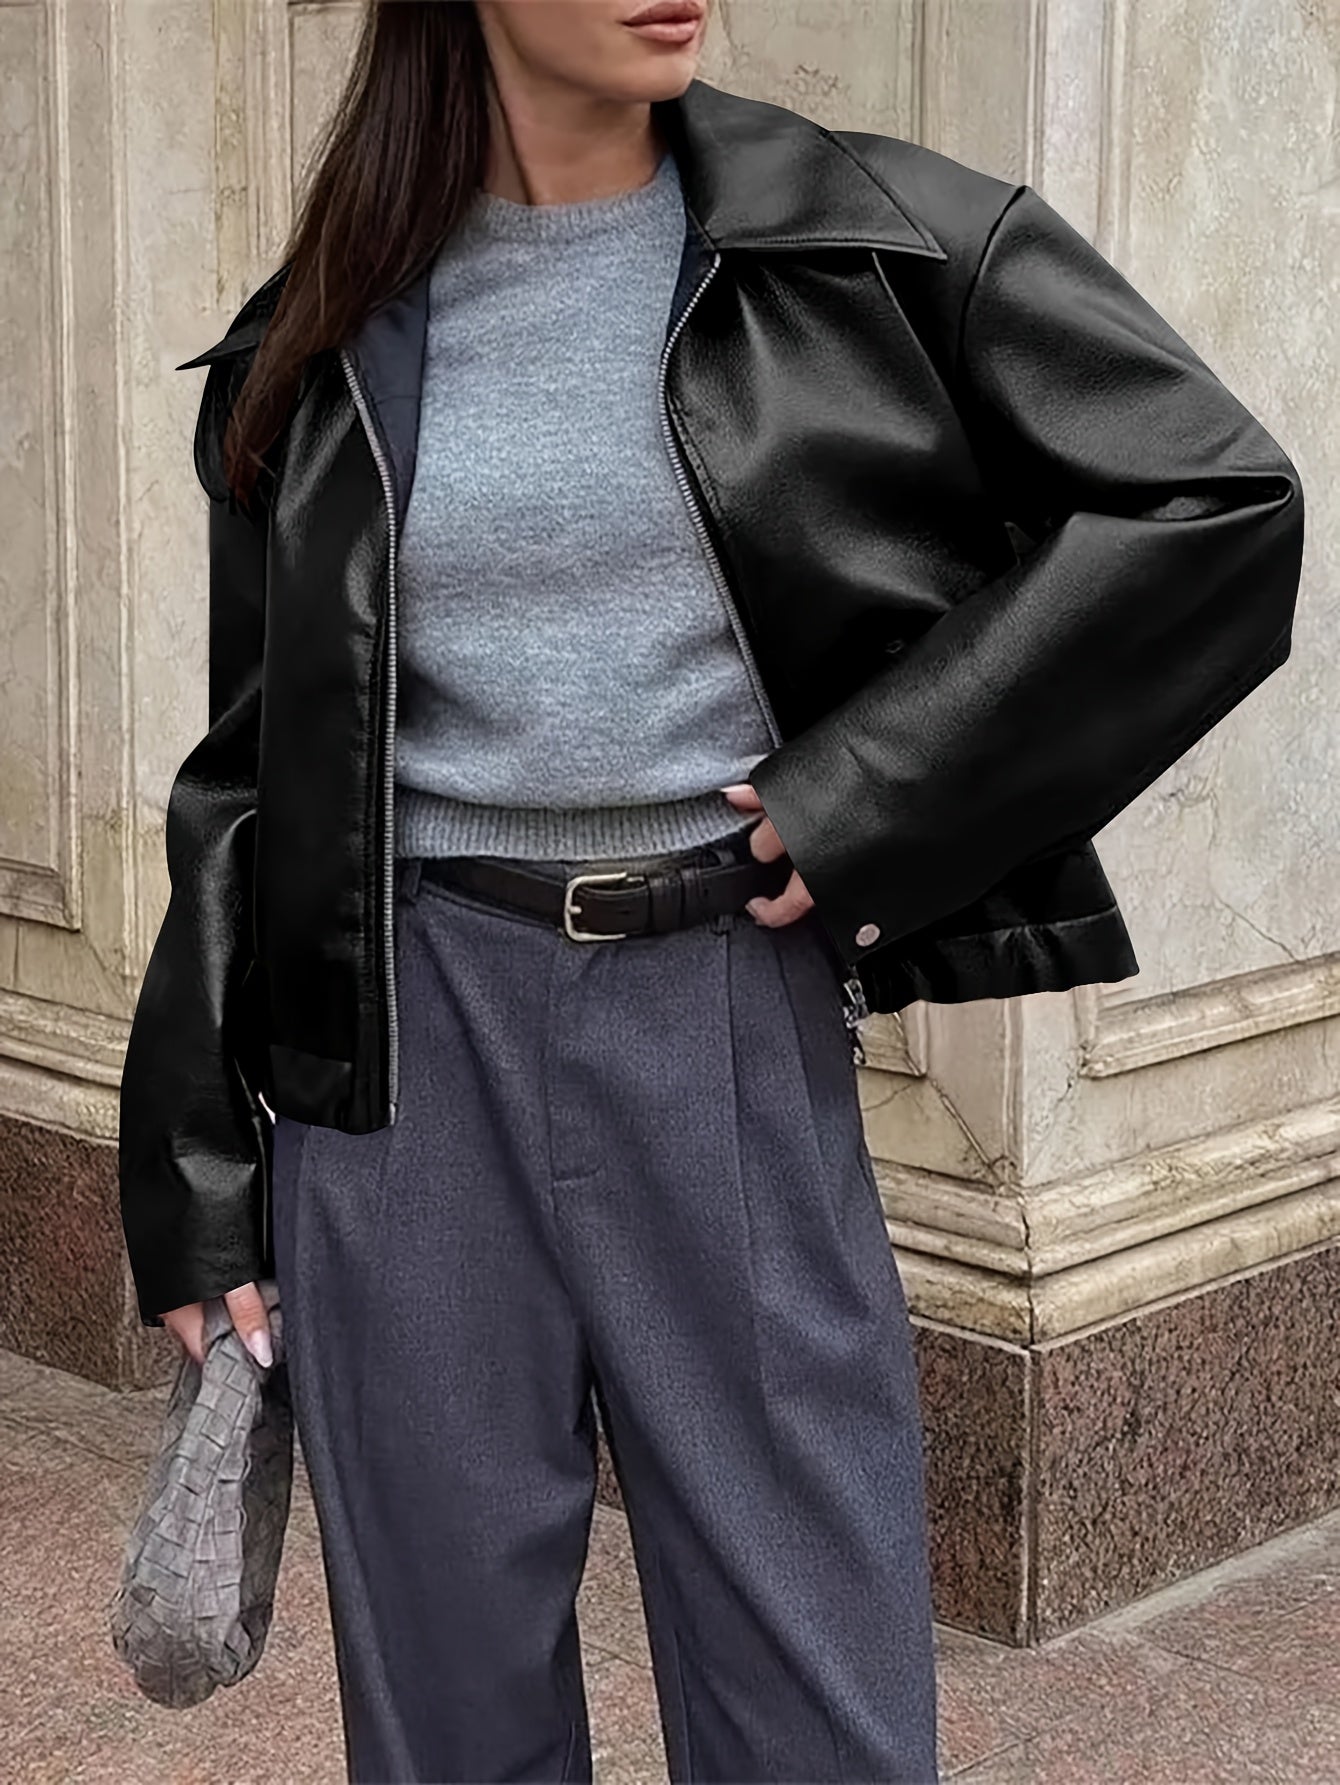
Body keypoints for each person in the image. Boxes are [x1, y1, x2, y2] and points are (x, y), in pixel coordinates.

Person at [118, 0, 1305, 1780]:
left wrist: (871, 791)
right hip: (400, 1061)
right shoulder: (321, 332)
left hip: (720, 1015)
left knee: (815, 1697)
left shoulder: (873, 245)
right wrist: (198, 1175)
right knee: (446, 1707)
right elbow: (249, 769)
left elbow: (1213, 504)